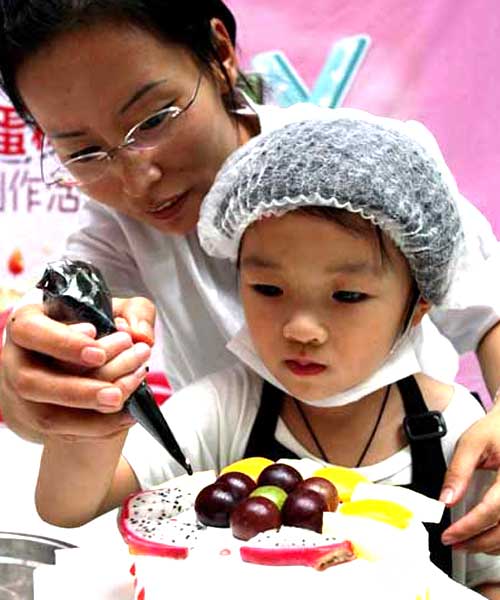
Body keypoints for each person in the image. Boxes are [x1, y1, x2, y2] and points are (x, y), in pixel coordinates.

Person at [0, 0, 499, 553]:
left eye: (155, 118)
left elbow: (490, 308)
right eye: (85, 151)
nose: (140, 179)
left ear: (219, 52)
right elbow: (68, 343)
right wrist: (48, 384)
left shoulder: (363, 169)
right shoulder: (219, 408)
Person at [34, 118, 500, 596]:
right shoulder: (223, 409)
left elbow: (487, 580)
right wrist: (94, 408)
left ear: (419, 302)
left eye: (348, 296)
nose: (300, 328)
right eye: (268, 288)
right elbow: (67, 505)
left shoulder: (459, 432)